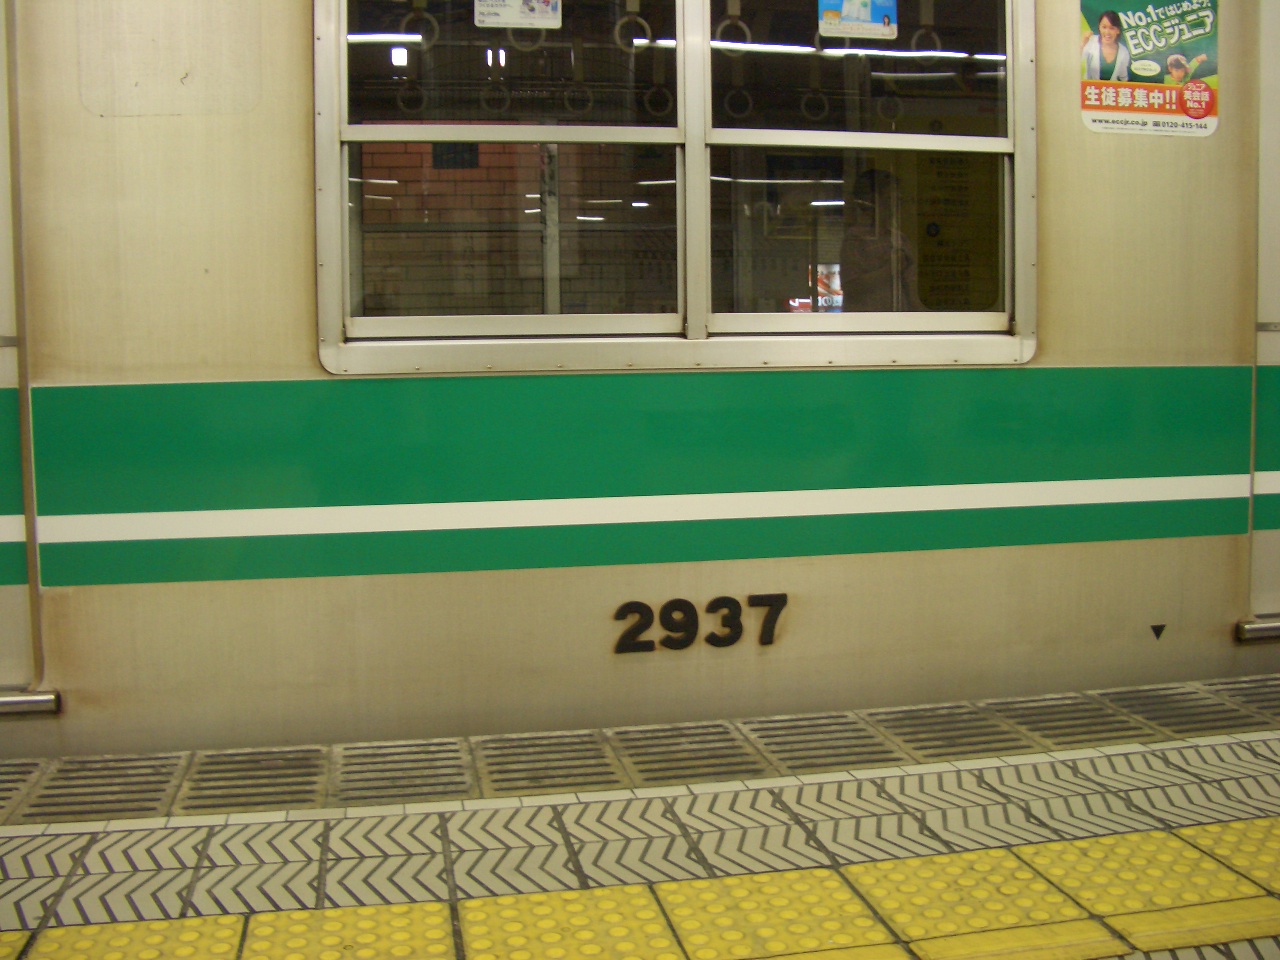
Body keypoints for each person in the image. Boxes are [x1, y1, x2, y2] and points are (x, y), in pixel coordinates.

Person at [839, 169, 923, 313]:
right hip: (865, 320)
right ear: (872, 201)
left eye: (898, 198)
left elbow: (911, 293)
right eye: (890, 198)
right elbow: (851, 287)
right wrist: (889, 270)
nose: (896, 204)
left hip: (898, 320)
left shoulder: (900, 239)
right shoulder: (856, 239)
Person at [1081, 10, 1130, 81]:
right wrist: (1083, 42)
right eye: (1104, 27)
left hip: (1111, 88)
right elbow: (1075, 61)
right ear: (1099, 27)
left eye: (1112, 28)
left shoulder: (1123, 52)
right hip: (1090, 87)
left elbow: (1123, 76)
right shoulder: (1091, 42)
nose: (1107, 32)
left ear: (1118, 30)